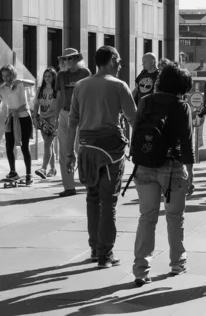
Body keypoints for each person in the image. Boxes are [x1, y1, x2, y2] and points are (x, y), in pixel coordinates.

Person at [65, 46, 136, 268]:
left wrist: (69, 153)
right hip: (111, 150)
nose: (121, 64)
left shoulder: (81, 85)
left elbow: (72, 122)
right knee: (109, 202)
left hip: (86, 148)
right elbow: (134, 119)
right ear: (112, 60)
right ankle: (105, 254)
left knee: (92, 199)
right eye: (120, 60)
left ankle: (95, 248)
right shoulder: (119, 85)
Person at [132, 62, 195, 284]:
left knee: (147, 217)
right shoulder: (181, 105)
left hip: (145, 164)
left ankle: (141, 268)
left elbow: (136, 132)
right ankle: (177, 262)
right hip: (172, 166)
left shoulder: (146, 101)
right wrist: (190, 173)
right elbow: (187, 143)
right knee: (175, 217)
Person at [56, 48, 91, 196]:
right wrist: (55, 117)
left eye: (70, 58)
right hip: (64, 113)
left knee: (82, 149)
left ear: (77, 59)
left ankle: (90, 183)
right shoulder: (61, 75)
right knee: (64, 151)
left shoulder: (85, 73)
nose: (67, 61)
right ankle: (69, 187)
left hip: (81, 114)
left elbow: (91, 95)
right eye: (64, 59)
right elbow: (58, 96)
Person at [0, 65, 35, 184]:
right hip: (11, 117)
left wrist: (21, 80)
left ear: (12, 74)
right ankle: (13, 172)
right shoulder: (2, 88)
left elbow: (32, 83)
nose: (5, 78)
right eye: (3, 75)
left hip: (24, 117)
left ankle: (29, 175)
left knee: (25, 146)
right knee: (9, 145)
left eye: (8, 75)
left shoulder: (20, 83)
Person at [33, 68, 59, 179]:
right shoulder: (40, 90)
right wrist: (34, 118)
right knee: (48, 145)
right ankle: (52, 169)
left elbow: (59, 107)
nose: (47, 78)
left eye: (49, 76)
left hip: (53, 119)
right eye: (45, 76)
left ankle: (43, 168)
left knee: (47, 144)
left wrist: (58, 120)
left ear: (54, 77)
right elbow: (35, 105)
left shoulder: (56, 91)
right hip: (42, 119)